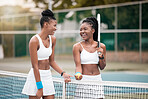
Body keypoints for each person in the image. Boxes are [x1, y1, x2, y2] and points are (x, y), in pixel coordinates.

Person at [22, 9, 72, 99]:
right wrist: (39, 87)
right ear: (46, 24)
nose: (56, 28)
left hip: (47, 76)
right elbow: (35, 66)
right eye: (54, 25)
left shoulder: (53, 39)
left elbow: (51, 61)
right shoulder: (34, 41)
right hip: (35, 77)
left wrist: (63, 73)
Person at [73, 17, 106, 99]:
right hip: (84, 81)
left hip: (97, 80)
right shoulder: (77, 47)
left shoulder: (101, 46)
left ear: (93, 30)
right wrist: (78, 74)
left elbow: (102, 67)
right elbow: (78, 66)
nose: (82, 32)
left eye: (85, 29)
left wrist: (101, 56)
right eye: (81, 30)